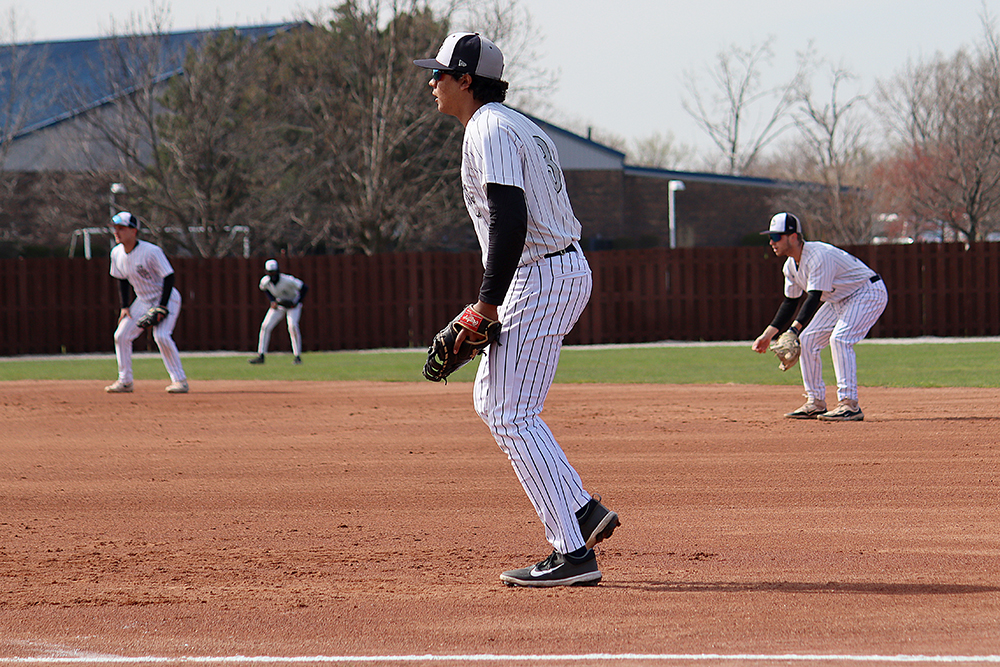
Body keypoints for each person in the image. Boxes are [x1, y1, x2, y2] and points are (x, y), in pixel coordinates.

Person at [414, 32, 619, 587]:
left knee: (509, 410)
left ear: (465, 80)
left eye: (439, 72)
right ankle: (580, 510)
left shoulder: (490, 127)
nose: (431, 81)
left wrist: (485, 304)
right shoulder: (516, 125)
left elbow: (509, 216)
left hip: (542, 271)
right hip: (552, 268)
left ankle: (572, 552)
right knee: (496, 401)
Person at [752, 212, 888, 421]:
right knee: (808, 340)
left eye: (777, 237)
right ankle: (815, 402)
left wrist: (793, 331)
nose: (772, 242)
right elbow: (790, 302)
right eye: (771, 237)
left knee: (840, 339)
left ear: (794, 237)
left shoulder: (818, 256)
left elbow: (814, 298)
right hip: (839, 297)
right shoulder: (790, 265)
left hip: (866, 292)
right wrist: (768, 335)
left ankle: (849, 404)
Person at [104, 211, 188, 394]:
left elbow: (169, 276)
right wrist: (125, 306)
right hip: (142, 300)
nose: (116, 232)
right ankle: (125, 381)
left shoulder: (151, 251)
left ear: (134, 231)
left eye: (121, 228)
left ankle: (180, 381)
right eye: (115, 229)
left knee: (162, 336)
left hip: (166, 297)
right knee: (121, 335)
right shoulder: (116, 253)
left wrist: (162, 306)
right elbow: (122, 279)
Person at [249, 258, 308, 365]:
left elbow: (304, 288)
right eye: (270, 273)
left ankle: (297, 356)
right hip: (279, 305)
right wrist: (272, 301)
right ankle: (261, 355)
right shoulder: (265, 281)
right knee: (265, 326)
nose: (273, 275)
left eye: (274, 272)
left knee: (292, 327)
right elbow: (265, 289)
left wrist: (297, 302)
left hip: (293, 305)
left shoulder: (288, 280)